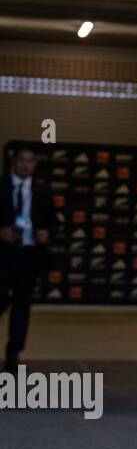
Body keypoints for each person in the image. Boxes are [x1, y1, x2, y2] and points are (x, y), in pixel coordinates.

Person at [2, 146, 55, 372]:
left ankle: (13, 354)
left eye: (30, 161)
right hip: (2, 256)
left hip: (29, 257)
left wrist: (47, 233)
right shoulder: (0, 187)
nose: (26, 165)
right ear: (14, 162)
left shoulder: (43, 192)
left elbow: (54, 222)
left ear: (35, 164)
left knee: (22, 309)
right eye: (22, 160)